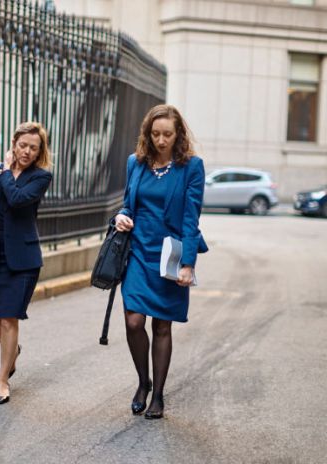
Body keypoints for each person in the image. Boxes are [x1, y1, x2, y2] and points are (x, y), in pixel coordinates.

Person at [114, 104, 208, 420]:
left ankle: (158, 395)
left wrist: (188, 264)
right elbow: (128, 205)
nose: (161, 140)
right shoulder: (136, 163)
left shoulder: (191, 167)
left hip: (171, 254)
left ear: (178, 134)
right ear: (148, 133)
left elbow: (191, 218)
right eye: (155, 134)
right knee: (133, 321)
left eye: (167, 134)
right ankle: (143, 382)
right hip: (138, 252)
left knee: (162, 325)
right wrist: (121, 217)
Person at [0, 122, 53, 404]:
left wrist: (3, 175)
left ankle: (2, 379)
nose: (27, 151)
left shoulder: (41, 177)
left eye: (33, 148)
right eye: (23, 145)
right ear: (14, 143)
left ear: (39, 151)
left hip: (23, 260)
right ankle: (12, 351)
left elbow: (17, 200)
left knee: (8, 318)